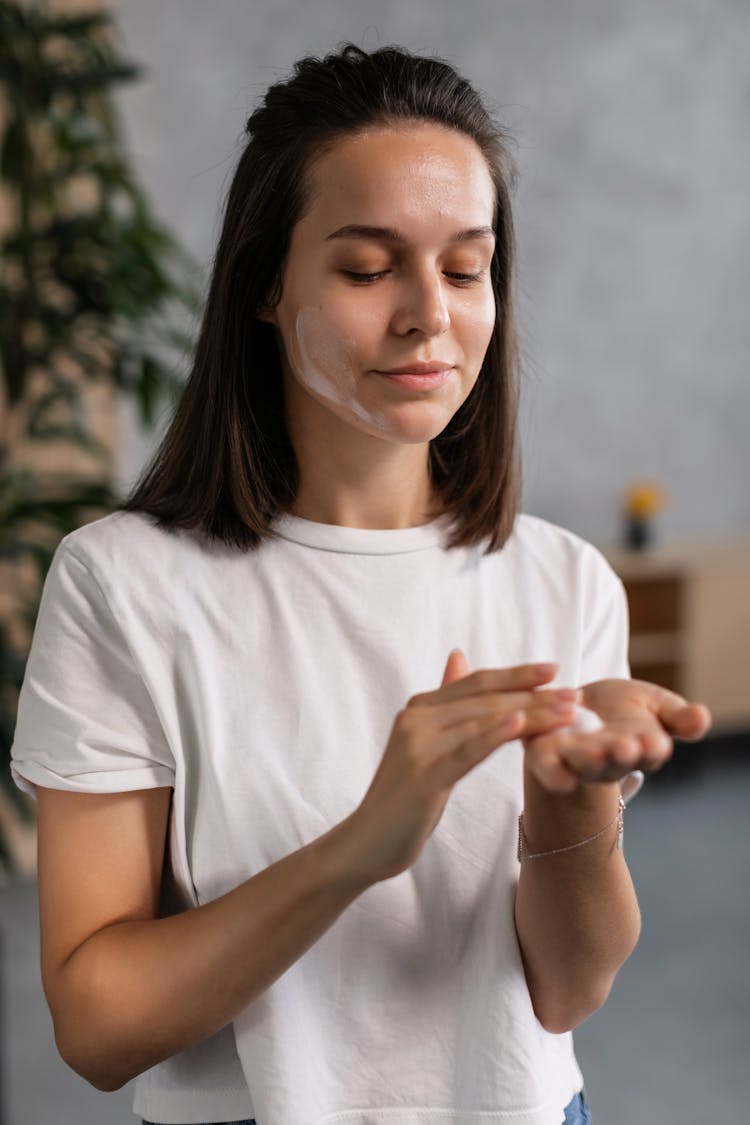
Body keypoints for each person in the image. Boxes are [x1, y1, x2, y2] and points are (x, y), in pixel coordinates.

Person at [10, 42, 712, 1125]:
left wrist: (566, 803)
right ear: (263, 285)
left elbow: (567, 991)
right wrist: (360, 847)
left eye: (466, 268)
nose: (429, 314)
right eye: (367, 267)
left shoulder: (562, 579)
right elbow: (98, 1030)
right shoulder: (125, 584)